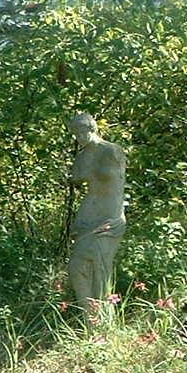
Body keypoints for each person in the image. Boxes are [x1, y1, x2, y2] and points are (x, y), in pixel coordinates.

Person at [66, 112, 126, 309]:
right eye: (75, 134)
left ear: (93, 129)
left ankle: (103, 322)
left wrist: (116, 218)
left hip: (110, 215)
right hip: (88, 214)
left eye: (83, 132)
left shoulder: (111, 151)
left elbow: (118, 186)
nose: (79, 138)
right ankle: (89, 318)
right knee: (76, 267)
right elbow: (74, 178)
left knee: (100, 268)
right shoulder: (82, 157)